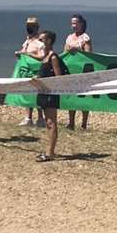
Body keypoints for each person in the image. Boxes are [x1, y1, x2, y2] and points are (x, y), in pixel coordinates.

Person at [32, 30, 67, 160]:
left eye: (41, 40)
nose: (39, 43)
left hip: (50, 94)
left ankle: (50, 153)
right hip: (43, 92)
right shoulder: (44, 57)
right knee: (48, 122)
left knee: (51, 122)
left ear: (49, 41)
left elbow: (58, 78)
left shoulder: (53, 58)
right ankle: (49, 150)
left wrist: (43, 82)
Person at [64, 15, 93, 130]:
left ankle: (84, 124)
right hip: (71, 70)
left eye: (75, 23)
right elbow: (64, 53)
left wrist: (77, 50)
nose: (73, 26)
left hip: (82, 71)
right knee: (71, 96)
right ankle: (71, 122)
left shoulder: (85, 38)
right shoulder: (69, 37)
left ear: (81, 24)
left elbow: (89, 55)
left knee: (83, 97)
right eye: (72, 23)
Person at [16, 17, 46, 126]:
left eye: (32, 26)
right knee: (27, 93)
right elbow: (24, 52)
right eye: (28, 25)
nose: (29, 28)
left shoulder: (40, 43)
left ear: (36, 27)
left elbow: (43, 56)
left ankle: (40, 118)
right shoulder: (27, 41)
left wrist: (29, 55)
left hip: (36, 71)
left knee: (37, 94)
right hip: (26, 71)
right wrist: (20, 54)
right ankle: (28, 117)